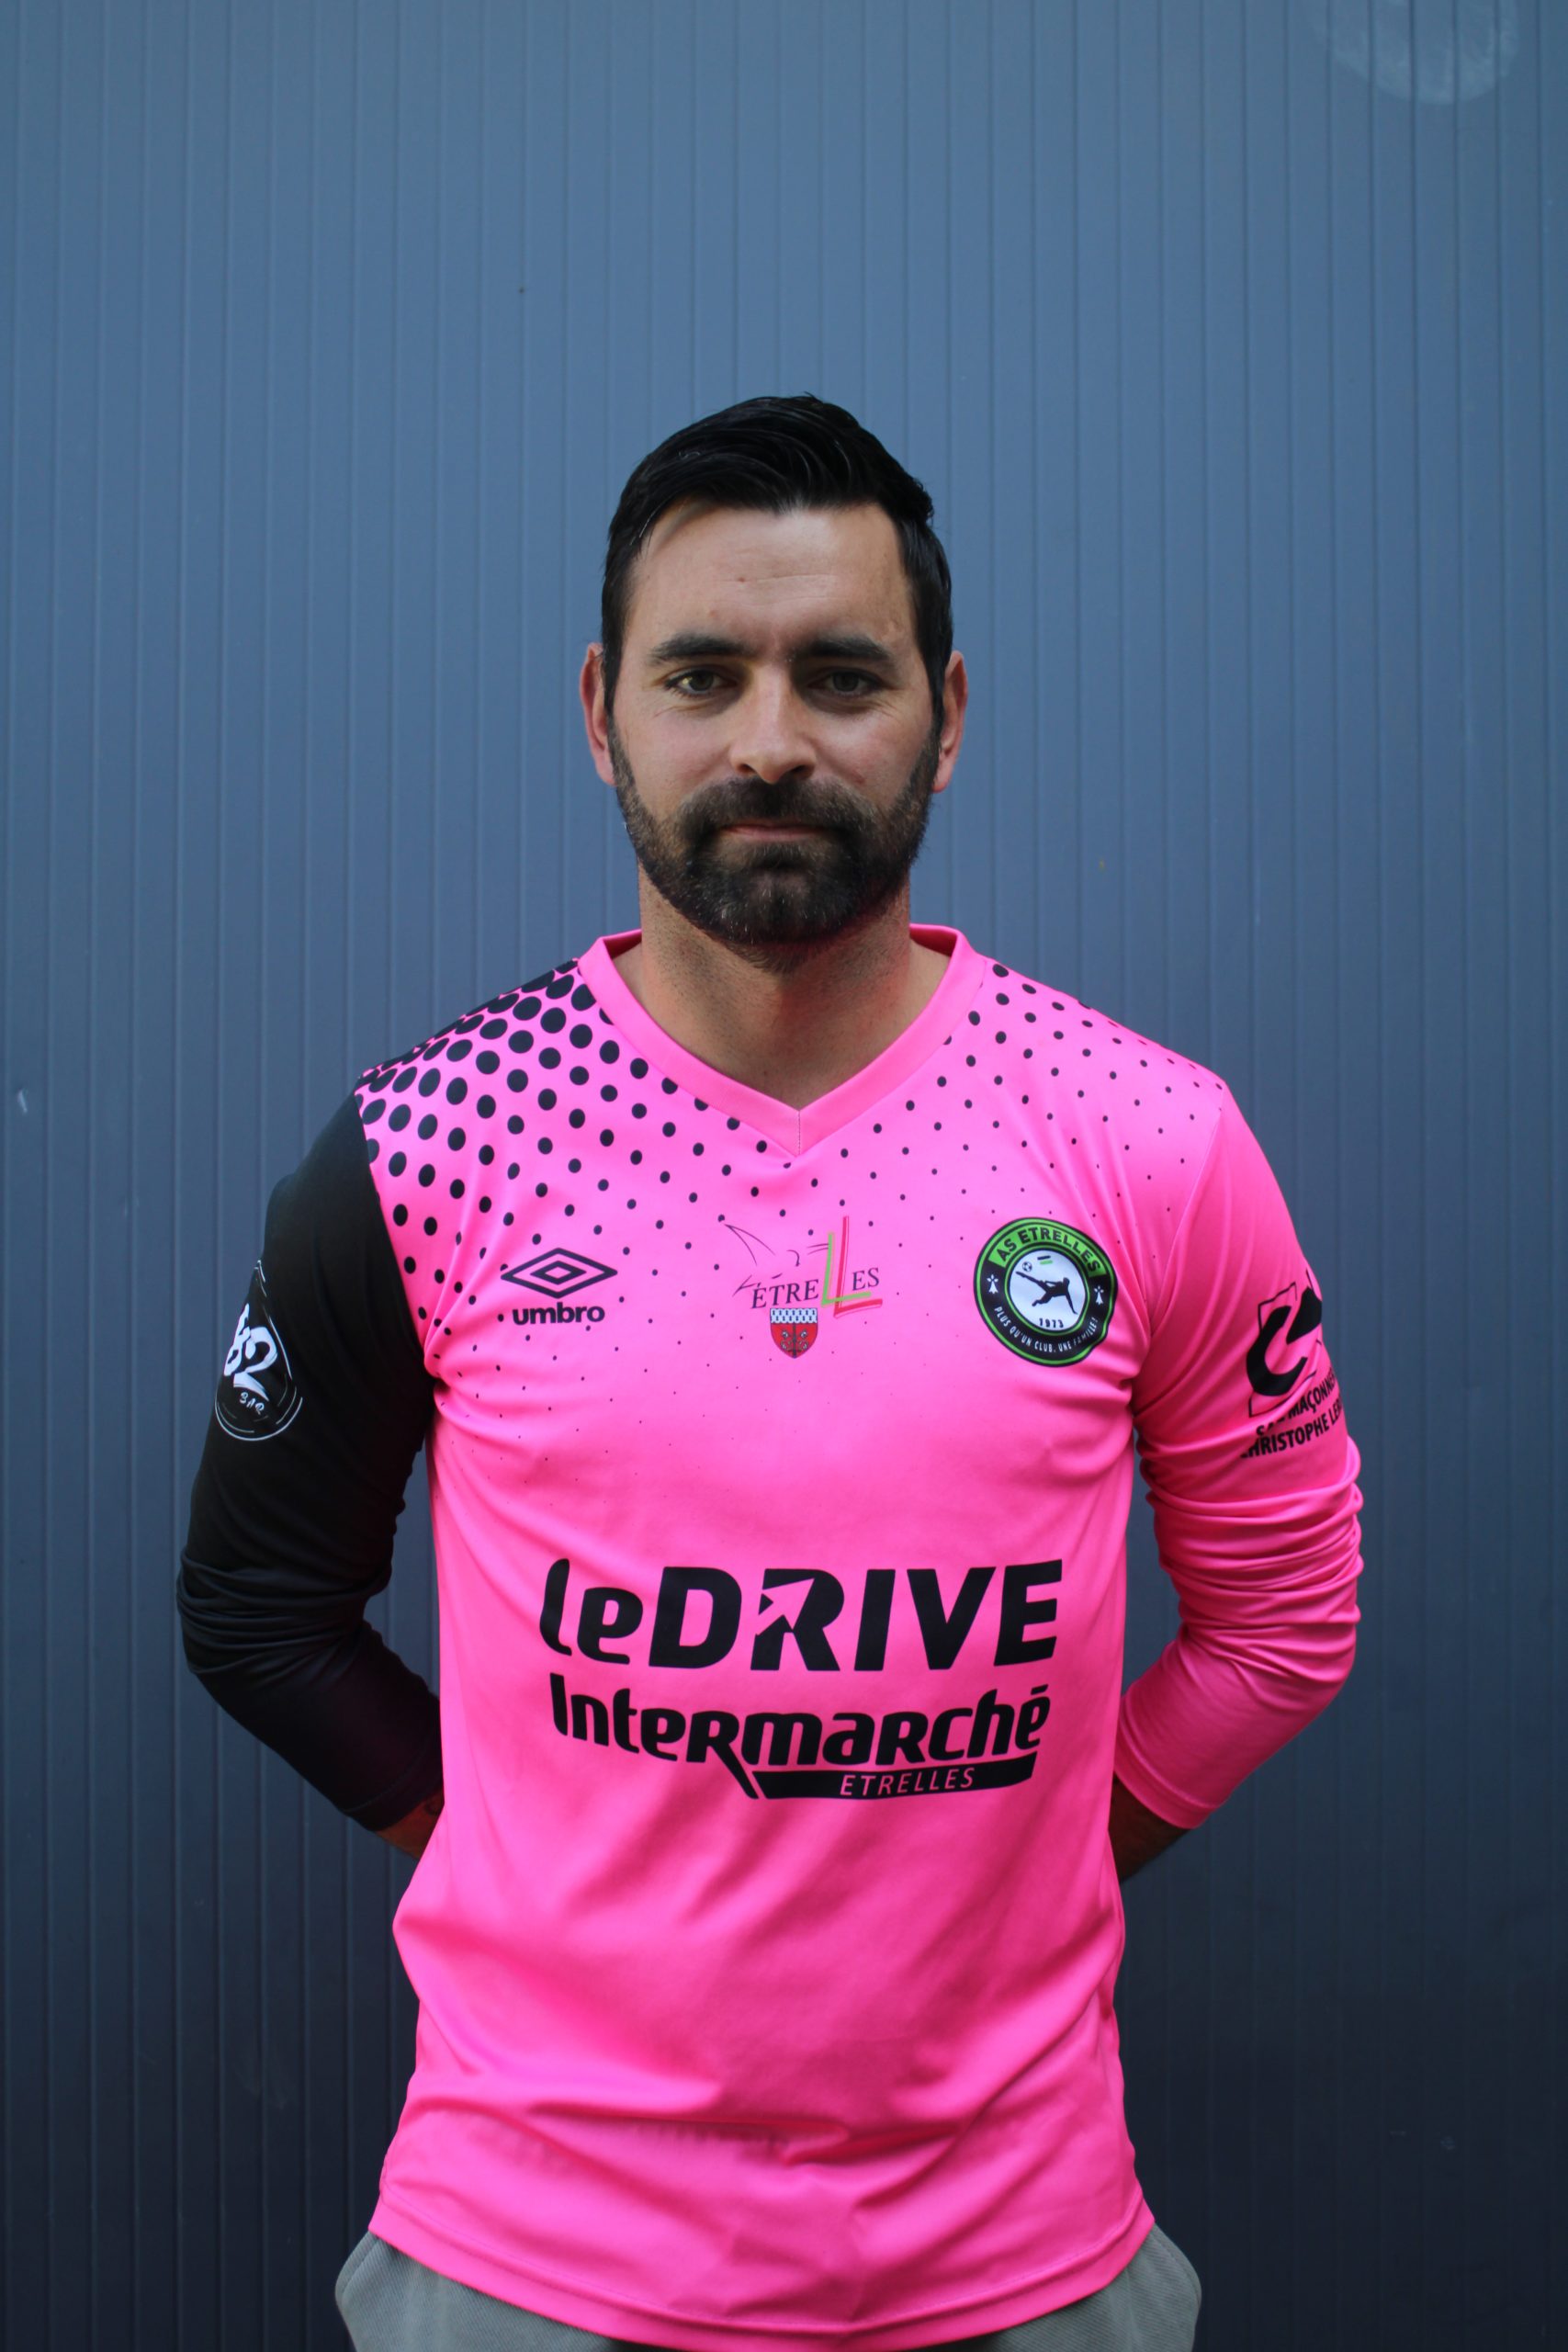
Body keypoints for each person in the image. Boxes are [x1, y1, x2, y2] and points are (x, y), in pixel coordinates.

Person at [178, 394, 1362, 2352]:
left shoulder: (1146, 1139)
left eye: (841, 675)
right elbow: (254, 1602)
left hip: (1019, 2255)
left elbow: (1285, 1619)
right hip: (527, 2260)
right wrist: (522, 1862)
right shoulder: (431, 1142)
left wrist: (1043, 1859)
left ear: (946, 715)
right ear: (600, 711)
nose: (770, 741)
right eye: (701, 674)